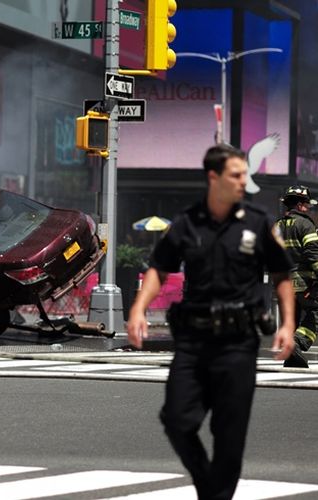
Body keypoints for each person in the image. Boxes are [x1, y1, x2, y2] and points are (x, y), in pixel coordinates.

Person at [127, 143, 295, 500]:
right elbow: (160, 267)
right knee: (176, 419)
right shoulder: (187, 223)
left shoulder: (258, 222)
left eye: (244, 174)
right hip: (193, 343)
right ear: (213, 177)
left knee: (229, 435)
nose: (243, 182)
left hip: (238, 344)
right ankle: (209, 488)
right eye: (236, 175)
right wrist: (139, 308)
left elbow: (282, 275)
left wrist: (287, 325)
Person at [276, 185, 318, 368]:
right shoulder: (306, 224)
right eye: (307, 205)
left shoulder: (277, 225)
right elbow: (312, 254)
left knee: (291, 317)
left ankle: (292, 356)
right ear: (300, 205)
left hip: (282, 283)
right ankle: (298, 343)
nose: (308, 208)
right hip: (303, 281)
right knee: (315, 313)